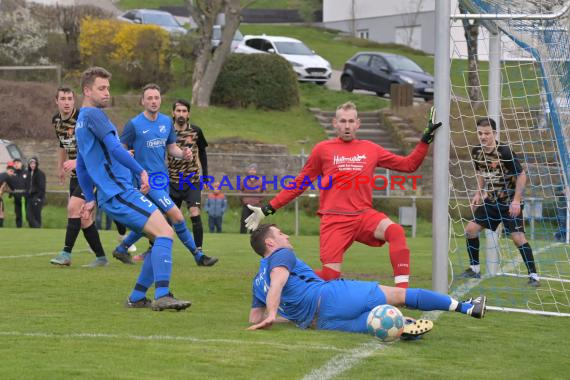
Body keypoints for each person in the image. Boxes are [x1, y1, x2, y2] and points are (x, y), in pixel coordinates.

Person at [245, 102, 441, 288]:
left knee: (396, 231)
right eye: (342, 121)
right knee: (330, 277)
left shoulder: (371, 149)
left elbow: (408, 165)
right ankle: (279, 276)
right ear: (335, 123)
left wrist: (424, 140)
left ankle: (403, 291)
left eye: (350, 121)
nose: (347, 126)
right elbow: (300, 184)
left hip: (364, 215)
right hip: (334, 219)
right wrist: (268, 208)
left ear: (357, 123)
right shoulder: (323, 149)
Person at [75, 66, 191, 310]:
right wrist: (141, 170)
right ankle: (162, 295)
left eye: (108, 88)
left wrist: (89, 198)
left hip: (112, 194)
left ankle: (138, 297)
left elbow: (82, 165)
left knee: (158, 235)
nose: (107, 93)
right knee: (165, 233)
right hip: (119, 192)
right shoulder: (94, 116)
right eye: (101, 88)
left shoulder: (81, 121)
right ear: (87, 90)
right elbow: (116, 149)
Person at [247, 224, 486, 336]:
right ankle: (468, 308)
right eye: (280, 233)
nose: (286, 235)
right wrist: (271, 314)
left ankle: (403, 324)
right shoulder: (282, 254)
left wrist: (281, 317)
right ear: (270, 244)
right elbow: (278, 281)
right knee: (399, 295)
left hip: (318, 323)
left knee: (378, 323)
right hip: (331, 296)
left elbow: (253, 318)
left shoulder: (257, 281)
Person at [113, 84, 218, 267]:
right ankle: (198, 256)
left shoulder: (166, 122)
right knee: (177, 216)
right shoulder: (134, 125)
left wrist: (183, 154)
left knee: (153, 218)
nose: (153, 101)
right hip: (145, 180)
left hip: (163, 179)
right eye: (150, 98)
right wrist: (126, 155)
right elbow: (120, 150)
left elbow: (171, 148)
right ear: (143, 101)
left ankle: (123, 248)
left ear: (160, 100)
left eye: (156, 98)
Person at [462, 118, 540, 286]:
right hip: (491, 201)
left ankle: (534, 276)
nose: (483, 137)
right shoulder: (476, 151)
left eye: (487, 133)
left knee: (518, 238)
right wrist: (478, 193)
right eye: (480, 133)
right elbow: (481, 173)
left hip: (509, 202)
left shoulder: (504, 151)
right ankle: (474, 269)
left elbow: (522, 174)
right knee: (470, 230)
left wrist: (516, 201)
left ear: (495, 134)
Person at [49, 86, 109, 267]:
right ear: (56, 101)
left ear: (74, 101)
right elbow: (62, 144)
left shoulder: (83, 117)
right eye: (63, 99)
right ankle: (101, 258)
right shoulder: (57, 121)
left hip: (92, 171)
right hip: (77, 175)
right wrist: (60, 166)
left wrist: (77, 161)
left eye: (70, 98)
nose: (67, 102)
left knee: (73, 207)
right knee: (83, 218)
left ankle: (66, 253)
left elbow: (97, 144)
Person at [168, 99, 209, 251]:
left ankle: (198, 249)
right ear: (173, 113)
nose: (181, 114)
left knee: (194, 212)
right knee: (169, 217)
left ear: (188, 114)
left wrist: (206, 176)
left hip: (192, 180)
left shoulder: (196, 131)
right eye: (178, 111)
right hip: (172, 181)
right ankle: (155, 248)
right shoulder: (167, 131)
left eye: (184, 111)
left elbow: (203, 153)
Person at [240, 163, 263, 234]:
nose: (252, 171)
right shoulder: (244, 180)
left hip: (256, 204)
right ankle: (242, 234)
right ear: (248, 171)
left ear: (256, 171)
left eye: (254, 169)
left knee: (255, 220)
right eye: (251, 169)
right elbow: (239, 190)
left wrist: (259, 200)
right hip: (246, 204)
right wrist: (243, 200)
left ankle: (253, 234)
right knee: (244, 220)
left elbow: (264, 191)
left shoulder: (260, 181)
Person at [25, 157, 46, 228]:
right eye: (31, 163)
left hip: (37, 197)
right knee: (28, 215)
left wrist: (38, 198)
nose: (32, 165)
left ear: (37, 164)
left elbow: (42, 187)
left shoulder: (40, 174)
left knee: (36, 215)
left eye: (34, 163)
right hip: (30, 197)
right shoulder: (28, 173)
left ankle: (37, 228)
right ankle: (34, 228)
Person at [6, 158, 27, 228]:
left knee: (27, 212)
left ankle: (30, 225)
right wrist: (10, 194)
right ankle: (19, 227)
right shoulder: (12, 173)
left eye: (18, 162)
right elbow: (9, 183)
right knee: (18, 213)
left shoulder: (26, 172)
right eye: (15, 163)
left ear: (21, 164)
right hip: (16, 195)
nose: (17, 164)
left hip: (25, 196)